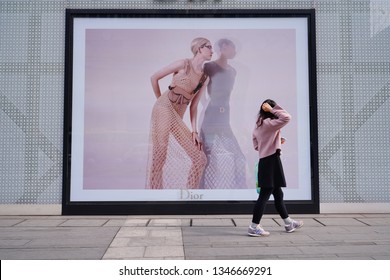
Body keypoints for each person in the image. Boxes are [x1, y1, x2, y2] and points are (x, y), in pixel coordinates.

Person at [146, 37, 212, 189]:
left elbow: (194, 106)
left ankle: (190, 194)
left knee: (199, 158)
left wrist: (194, 131)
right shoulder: (183, 64)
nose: (212, 51)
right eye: (209, 47)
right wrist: (161, 103)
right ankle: (156, 193)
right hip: (163, 109)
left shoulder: (204, 78)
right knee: (160, 152)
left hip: (177, 117)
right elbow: (154, 78)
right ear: (200, 48)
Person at [248, 99, 303, 236]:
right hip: (271, 161)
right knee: (265, 194)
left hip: (266, 161)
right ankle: (254, 227)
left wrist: (275, 141)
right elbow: (286, 117)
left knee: (278, 194)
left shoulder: (258, 126)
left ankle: (288, 223)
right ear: (268, 110)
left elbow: (256, 146)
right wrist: (272, 110)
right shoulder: (269, 124)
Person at [199, 38, 246, 189]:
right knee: (205, 159)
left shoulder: (233, 71)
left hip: (225, 121)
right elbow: (200, 91)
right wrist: (207, 104)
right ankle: (199, 193)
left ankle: (241, 192)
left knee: (239, 158)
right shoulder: (209, 67)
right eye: (233, 48)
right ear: (224, 47)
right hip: (210, 121)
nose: (235, 51)